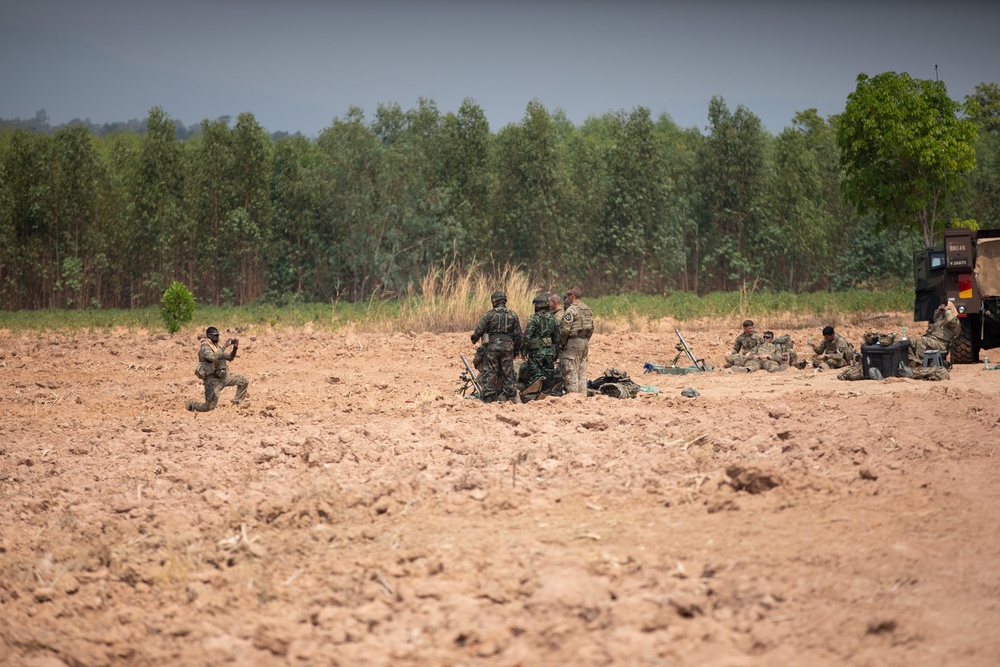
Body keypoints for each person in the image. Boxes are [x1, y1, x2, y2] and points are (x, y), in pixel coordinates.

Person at [471, 290, 523, 403]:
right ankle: (510, 396)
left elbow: (479, 330)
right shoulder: (513, 315)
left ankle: (489, 397)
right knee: (508, 372)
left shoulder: (489, 315)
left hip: (492, 347)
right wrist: (516, 350)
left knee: (491, 371)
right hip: (508, 347)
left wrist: (474, 339)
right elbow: (518, 335)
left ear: (494, 302)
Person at [186, 326, 249, 412]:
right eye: (215, 335)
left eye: (218, 335)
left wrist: (235, 347)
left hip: (223, 377)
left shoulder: (216, 348)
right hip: (212, 381)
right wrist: (225, 346)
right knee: (209, 407)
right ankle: (191, 405)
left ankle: (236, 405)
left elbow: (230, 357)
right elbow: (213, 357)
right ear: (209, 336)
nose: (217, 337)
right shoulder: (205, 348)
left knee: (243, 380)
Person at [559, 286, 594, 394]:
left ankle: (573, 398)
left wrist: (561, 343)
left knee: (571, 372)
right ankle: (582, 397)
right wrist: (586, 339)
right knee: (582, 374)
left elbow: (565, 329)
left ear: (572, 296)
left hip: (573, 342)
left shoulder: (571, 309)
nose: (567, 297)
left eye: (568, 295)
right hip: (584, 342)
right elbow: (591, 327)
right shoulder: (587, 308)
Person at [520, 294, 560, 389]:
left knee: (535, 376)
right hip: (549, 353)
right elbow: (557, 339)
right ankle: (547, 394)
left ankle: (534, 396)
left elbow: (527, 337)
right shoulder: (553, 319)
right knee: (549, 376)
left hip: (536, 353)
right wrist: (556, 354)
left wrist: (524, 352)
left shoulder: (534, 319)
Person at [907, 301, 960, 367]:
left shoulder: (954, 322)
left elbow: (950, 320)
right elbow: (935, 316)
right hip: (931, 340)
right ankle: (911, 363)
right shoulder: (939, 319)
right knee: (910, 341)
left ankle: (919, 364)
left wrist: (948, 310)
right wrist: (939, 310)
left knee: (920, 341)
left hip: (940, 344)